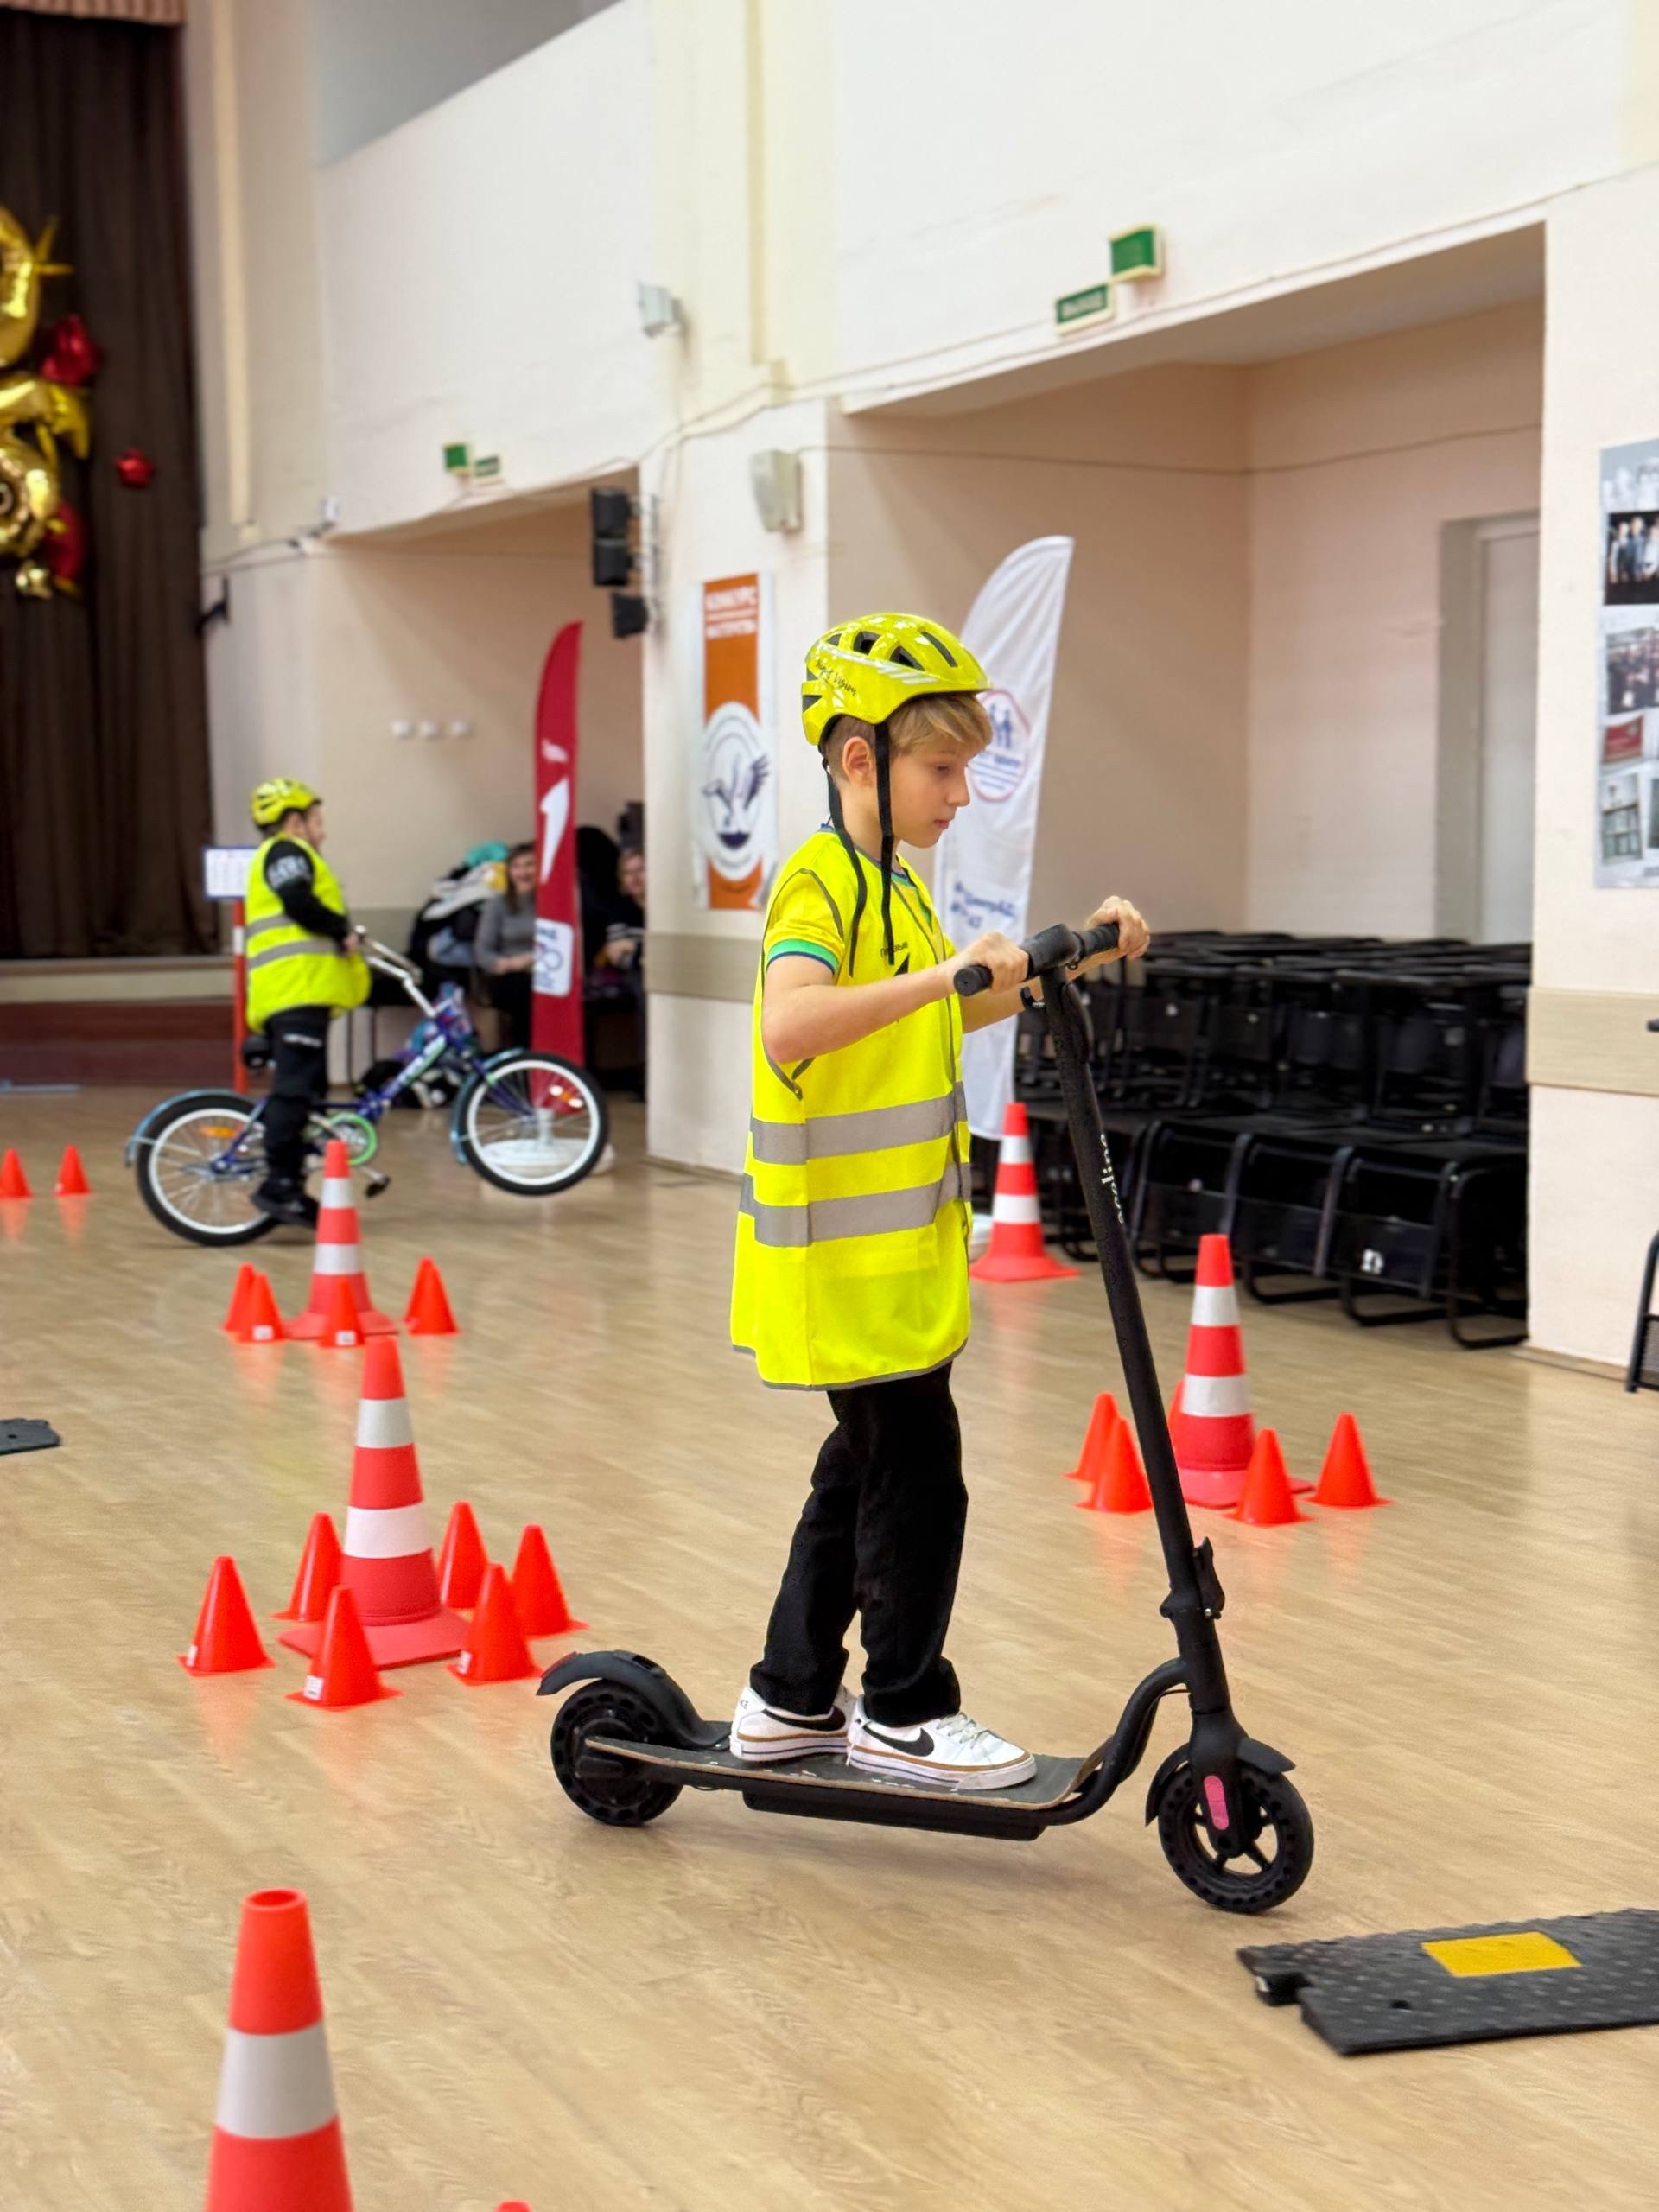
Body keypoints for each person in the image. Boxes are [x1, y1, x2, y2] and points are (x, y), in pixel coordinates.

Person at [728, 613, 1149, 1790]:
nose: (960, 794)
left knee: (861, 1470)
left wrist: (1064, 959)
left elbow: (934, 1007)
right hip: (839, 1264)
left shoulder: (892, 881)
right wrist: (939, 975)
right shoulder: (820, 880)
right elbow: (792, 1021)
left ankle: (787, 1697)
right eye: (942, 768)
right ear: (861, 759)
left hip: (893, 1261)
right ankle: (903, 1710)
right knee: (918, 1474)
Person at [244, 778, 371, 1226]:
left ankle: (294, 1185)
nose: (323, 832)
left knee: (308, 1093)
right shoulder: (287, 852)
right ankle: (279, 1184)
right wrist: (341, 930)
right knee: (294, 1090)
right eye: (317, 822)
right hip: (294, 991)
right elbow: (298, 901)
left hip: (302, 991)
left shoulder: (288, 854)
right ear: (295, 822)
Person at [474, 841, 538, 1048]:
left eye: (529, 865)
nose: (523, 872)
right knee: (523, 995)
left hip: (545, 972)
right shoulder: (497, 905)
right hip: (509, 974)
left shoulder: (551, 903)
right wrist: (513, 963)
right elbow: (483, 953)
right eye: (516, 867)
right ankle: (523, 1057)